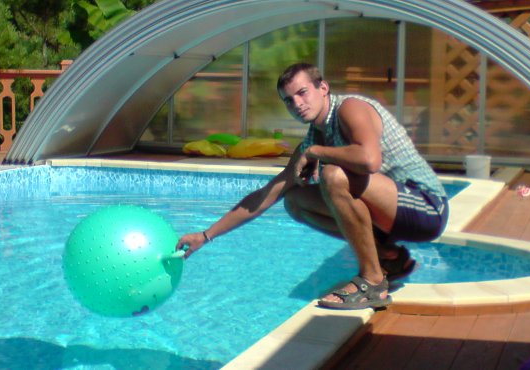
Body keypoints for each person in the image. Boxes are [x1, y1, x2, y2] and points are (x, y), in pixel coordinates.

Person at [176, 63, 448, 310]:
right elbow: (265, 195)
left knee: (333, 176)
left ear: (323, 87)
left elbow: (369, 160)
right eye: (289, 100)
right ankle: (389, 256)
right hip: (390, 213)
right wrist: (206, 235)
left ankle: (372, 282)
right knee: (295, 200)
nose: (297, 103)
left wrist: (316, 152)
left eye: (302, 92)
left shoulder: (350, 108)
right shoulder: (314, 137)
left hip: (426, 207)